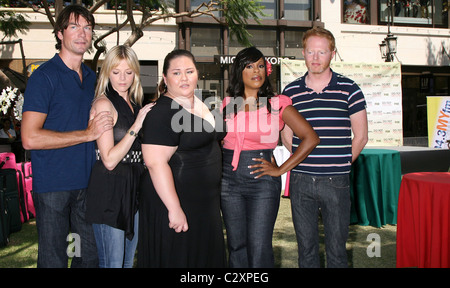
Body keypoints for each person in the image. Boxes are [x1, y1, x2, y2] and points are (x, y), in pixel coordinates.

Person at [21, 5, 114, 268]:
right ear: (60, 33)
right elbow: (29, 138)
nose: (82, 33)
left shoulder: (93, 78)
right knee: (55, 260)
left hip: (87, 186)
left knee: (89, 258)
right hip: (53, 188)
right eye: (74, 26)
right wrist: (85, 135)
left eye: (87, 27)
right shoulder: (44, 77)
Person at [220, 47, 319, 268]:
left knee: (259, 247)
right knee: (236, 246)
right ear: (239, 71)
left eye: (260, 65)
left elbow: (310, 138)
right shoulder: (227, 105)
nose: (257, 71)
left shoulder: (277, 104)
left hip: (262, 183)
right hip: (228, 182)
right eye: (249, 66)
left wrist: (280, 169)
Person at [282, 27, 368, 268]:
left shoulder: (349, 89)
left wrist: (338, 163)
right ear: (303, 53)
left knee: (337, 251)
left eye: (322, 52)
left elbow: (360, 137)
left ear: (332, 53)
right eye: (311, 51)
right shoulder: (290, 91)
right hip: (301, 180)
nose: (316, 57)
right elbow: (286, 135)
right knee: (306, 250)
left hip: (336, 182)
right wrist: (302, 160)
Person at [137, 49, 226, 267]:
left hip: (204, 205)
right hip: (176, 204)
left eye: (189, 71)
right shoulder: (161, 113)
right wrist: (175, 209)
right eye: (177, 73)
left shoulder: (199, 101)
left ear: (198, 74)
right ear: (165, 79)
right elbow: (155, 163)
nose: (184, 78)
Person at [85, 45, 154, 268]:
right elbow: (109, 159)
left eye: (128, 72)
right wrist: (137, 125)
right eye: (116, 72)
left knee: (126, 264)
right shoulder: (104, 104)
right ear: (106, 73)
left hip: (133, 190)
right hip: (109, 191)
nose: (122, 78)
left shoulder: (134, 105)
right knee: (112, 264)